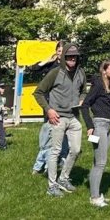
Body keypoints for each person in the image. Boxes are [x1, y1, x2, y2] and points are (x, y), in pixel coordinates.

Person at [33, 44, 88, 198]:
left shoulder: (81, 72)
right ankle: (52, 186)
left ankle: (63, 178)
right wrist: (49, 110)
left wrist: (82, 99)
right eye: (69, 56)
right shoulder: (55, 72)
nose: (72, 59)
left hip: (74, 117)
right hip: (58, 118)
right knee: (55, 151)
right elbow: (38, 92)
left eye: (75, 56)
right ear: (64, 57)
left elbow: (84, 90)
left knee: (76, 150)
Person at [83, 59, 110, 207]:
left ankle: (96, 193)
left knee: (98, 162)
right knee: (101, 163)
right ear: (104, 71)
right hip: (98, 127)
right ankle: (94, 197)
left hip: (107, 127)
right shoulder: (98, 85)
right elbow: (85, 105)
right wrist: (89, 126)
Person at [29, 43, 67, 175]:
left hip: (62, 103)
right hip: (48, 102)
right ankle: (42, 164)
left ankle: (55, 163)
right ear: (56, 51)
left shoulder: (68, 66)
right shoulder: (51, 65)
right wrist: (47, 60)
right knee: (48, 133)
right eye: (59, 51)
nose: (61, 53)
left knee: (61, 134)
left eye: (63, 51)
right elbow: (34, 68)